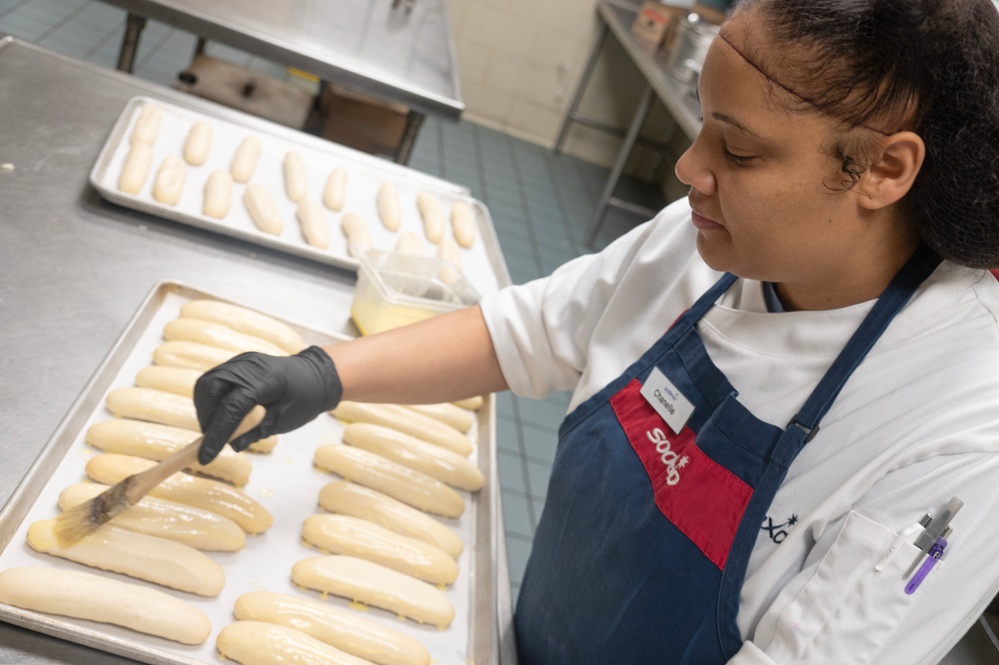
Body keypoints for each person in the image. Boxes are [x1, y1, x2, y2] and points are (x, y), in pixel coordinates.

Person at [193, 0, 999, 662]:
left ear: (885, 169)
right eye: (701, 126)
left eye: (738, 148)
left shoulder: (960, 430)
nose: (689, 168)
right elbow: (531, 329)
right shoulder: (711, 239)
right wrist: (322, 373)